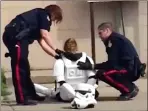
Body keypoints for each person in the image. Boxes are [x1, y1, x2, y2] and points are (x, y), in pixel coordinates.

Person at [2, 5, 64, 105]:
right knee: (19, 66)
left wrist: (56, 55)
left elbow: (42, 42)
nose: (53, 21)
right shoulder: (43, 14)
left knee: (25, 66)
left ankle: (30, 94)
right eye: (55, 18)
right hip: (15, 37)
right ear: (53, 13)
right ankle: (22, 98)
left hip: (20, 39)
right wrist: (57, 49)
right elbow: (45, 35)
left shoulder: (39, 19)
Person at [77, 22, 146, 101]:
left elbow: (111, 64)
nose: (99, 36)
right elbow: (113, 63)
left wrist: (92, 66)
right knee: (105, 72)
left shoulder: (114, 40)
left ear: (107, 30)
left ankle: (129, 89)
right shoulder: (113, 39)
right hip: (127, 67)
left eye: (100, 33)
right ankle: (128, 87)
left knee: (102, 73)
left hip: (129, 69)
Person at [34, 38, 99, 108]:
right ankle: (32, 86)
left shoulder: (60, 61)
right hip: (84, 93)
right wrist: (83, 93)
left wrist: (75, 95)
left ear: (65, 48)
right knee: (51, 91)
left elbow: (61, 81)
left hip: (66, 95)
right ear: (76, 48)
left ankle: (31, 85)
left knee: (49, 92)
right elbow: (92, 77)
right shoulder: (87, 59)